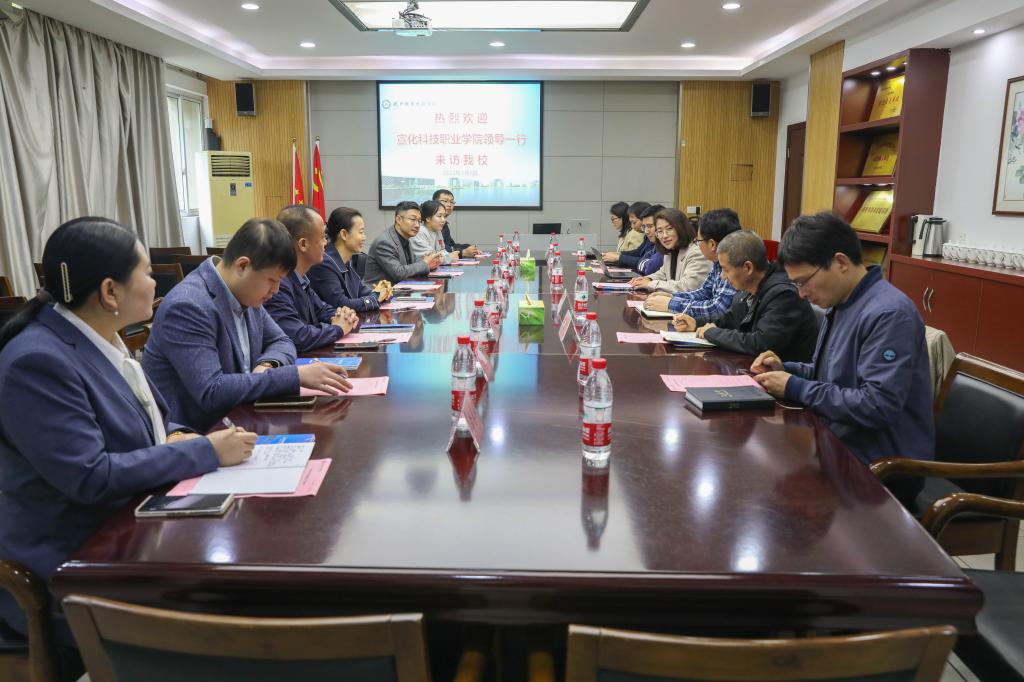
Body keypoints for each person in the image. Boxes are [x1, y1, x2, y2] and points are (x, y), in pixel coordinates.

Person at [0, 217, 257, 644]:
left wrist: (179, 434)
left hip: (128, 527)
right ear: (110, 291)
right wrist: (206, 451)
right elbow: (90, 476)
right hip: (71, 566)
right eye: (146, 272)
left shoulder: (100, 336)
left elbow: (147, 418)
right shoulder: (37, 362)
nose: (156, 282)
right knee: (231, 601)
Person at [750, 212, 934, 505]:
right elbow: (831, 375)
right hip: (840, 443)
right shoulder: (842, 302)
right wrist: (787, 370)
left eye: (804, 282)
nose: (801, 294)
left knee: (772, 489)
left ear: (840, 262)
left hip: (881, 467)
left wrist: (795, 387)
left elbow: (877, 405)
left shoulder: (888, 313)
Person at [143, 218, 352, 432]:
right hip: (201, 435)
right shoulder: (189, 305)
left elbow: (282, 340)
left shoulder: (245, 292)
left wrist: (268, 365)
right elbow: (212, 391)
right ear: (243, 266)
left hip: (243, 422)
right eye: (272, 280)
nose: (276, 290)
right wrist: (295, 376)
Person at [673, 230, 819, 362]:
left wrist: (712, 333)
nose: (723, 276)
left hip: (784, 377)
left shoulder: (783, 295)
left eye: (725, 270)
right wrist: (696, 324)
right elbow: (729, 319)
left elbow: (760, 344)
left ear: (748, 268)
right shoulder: (747, 288)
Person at [265, 204, 360, 353]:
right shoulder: (278, 284)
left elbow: (322, 309)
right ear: (303, 244)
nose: (326, 243)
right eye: (322, 237)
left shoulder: (300, 277)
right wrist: (337, 329)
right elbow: (297, 336)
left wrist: (343, 316)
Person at [643, 208, 741, 315]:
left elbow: (717, 309)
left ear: (712, 244)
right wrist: (673, 297)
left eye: (698, 240)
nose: (664, 235)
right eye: (660, 231)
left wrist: (671, 304)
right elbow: (704, 293)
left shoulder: (734, 264)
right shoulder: (717, 263)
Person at [308, 207, 393, 313]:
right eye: (361, 232)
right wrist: (375, 297)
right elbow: (341, 304)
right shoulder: (324, 263)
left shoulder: (345, 261)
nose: (364, 237)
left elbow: (361, 291)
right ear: (344, 234)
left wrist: (382, 292)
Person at [628, 208, 711, 294]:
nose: (664, 235)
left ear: (682, 228)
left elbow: (687, 287)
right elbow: (663, 274)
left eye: (669, 229)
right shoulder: (670, 251)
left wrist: (650, 284)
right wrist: (647, 279)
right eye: (660, 231)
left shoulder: (697, 253)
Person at [364, 201, 441, 285]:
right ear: (398, 219)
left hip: (400, 288)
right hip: (380, 291)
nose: (417, 225)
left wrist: (430, 262)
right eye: (413, 219)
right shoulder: (384, 242)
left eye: (419, 221)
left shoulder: (405, 237)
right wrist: (425, 263)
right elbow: (398, 273)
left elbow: (413, 263)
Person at [604, 204, 664, 272]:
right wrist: (618, 255)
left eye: (650, 226)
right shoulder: (656, 245)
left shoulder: (664, 248)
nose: (646, 231)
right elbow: (640, 255)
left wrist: (619, 257)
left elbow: (649, 267)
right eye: (644, 227)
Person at [433, 189, 479, 258]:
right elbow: (437, 248)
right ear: (434, 203)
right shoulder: (431, 224)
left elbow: (451, 245)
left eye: (452, 202)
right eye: (445, 201)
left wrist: (469, 247)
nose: (449, 205)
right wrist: (462, 252)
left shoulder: (444, 225)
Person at [411, 200, 457, 265]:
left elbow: (442, 250)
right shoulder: (419, 232)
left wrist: (448, 256)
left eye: (444, 216)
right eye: (439, 216)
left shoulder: (438, 231)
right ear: (428, 218)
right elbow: (430, 259)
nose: (443, 220)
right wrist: (449, 257)